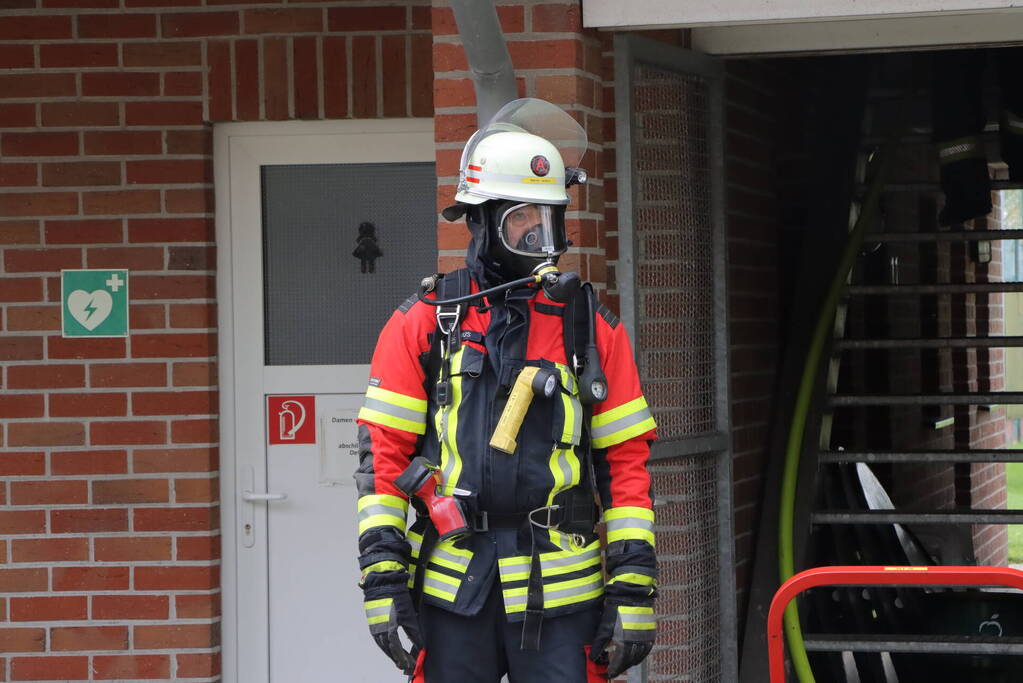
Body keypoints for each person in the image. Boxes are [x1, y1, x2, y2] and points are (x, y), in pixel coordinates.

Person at [354, 99, 658, 682]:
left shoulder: (589, 326)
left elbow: (626, 465)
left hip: (564, 604)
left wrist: (634, 588)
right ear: (481, 221)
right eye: (522, 218)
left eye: (550, 219)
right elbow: (383, 459)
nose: (540, 236)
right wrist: (384, 580)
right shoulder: (426, 321)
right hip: (453, 596)